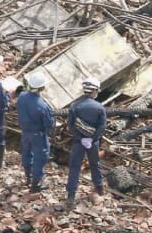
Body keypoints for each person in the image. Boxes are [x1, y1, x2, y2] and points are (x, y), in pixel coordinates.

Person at [65, 77, 107, 209]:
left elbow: (70, 125)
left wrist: (80, 137)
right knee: (95, 164)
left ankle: (71, 196)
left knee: (74, 167)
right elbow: (102, 126)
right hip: (93, 143)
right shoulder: (99, 107)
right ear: (94, 91)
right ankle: (100, 189)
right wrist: (92, 139)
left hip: (78, 142)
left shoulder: (74, 106)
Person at [17, 71, 54, 193]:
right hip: (38, 135)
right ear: (41, 88)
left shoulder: (21, 96)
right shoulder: (42, 106)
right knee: (40, 157)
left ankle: (28, 177)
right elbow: (49, 124)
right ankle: (36, 184)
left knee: (27, 153)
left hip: (25, 132)